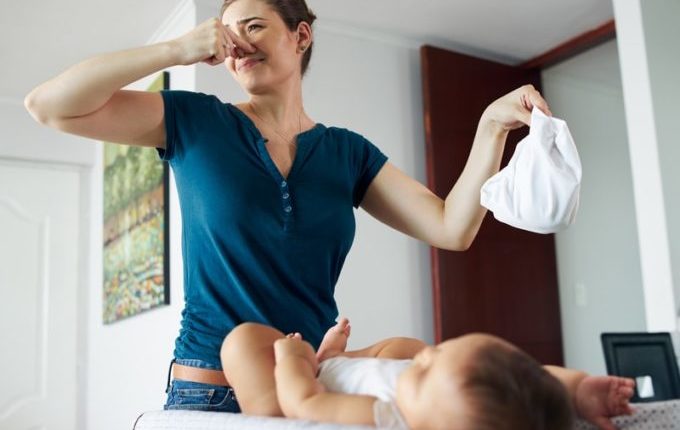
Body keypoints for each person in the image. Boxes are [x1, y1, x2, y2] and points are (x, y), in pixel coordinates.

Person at [25, 0, 557, 413]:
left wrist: (491, 128)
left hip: (312, 384)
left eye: (254, 26)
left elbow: (451, 227)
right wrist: (175, 50)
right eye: (228, 33)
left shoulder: (348, 153)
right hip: (209, 390)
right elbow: (48, 106)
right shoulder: (196, 121)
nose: (238, 44)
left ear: (300, 35)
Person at [222, 318, 635, 430]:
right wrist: (577, 391)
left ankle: (322, 361)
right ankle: (332, 359)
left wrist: (296, 357)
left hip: (303, 384)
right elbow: (528, 383)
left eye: (425, 373)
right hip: (343, 370)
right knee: (403, 348)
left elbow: (304, 403)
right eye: (438, 352)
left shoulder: (387, 417)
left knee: (242, 341)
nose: (424, 359)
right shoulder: (438, 406)